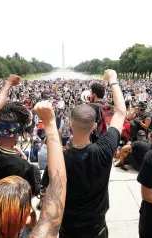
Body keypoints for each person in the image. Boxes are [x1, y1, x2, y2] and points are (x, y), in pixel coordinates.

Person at [41, 69, 126, 238]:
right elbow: (120, 112)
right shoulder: (105, 149)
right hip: (98, 228)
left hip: (69, 230)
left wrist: (48, 122)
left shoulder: (60, 160)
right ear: (95, 126)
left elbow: (45, 193)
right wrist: (113, 80)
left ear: (70, 125)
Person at [0, 101, 67, 238]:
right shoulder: (25, 168)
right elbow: (58, 182)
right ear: (19, 132)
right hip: (16, 221)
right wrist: (50, 122)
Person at [0, 75, 40, 195]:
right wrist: (24, 160)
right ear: (19, 131)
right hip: (10, 210)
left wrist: (8, 83)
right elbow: (33, 192)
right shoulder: (23, 167)